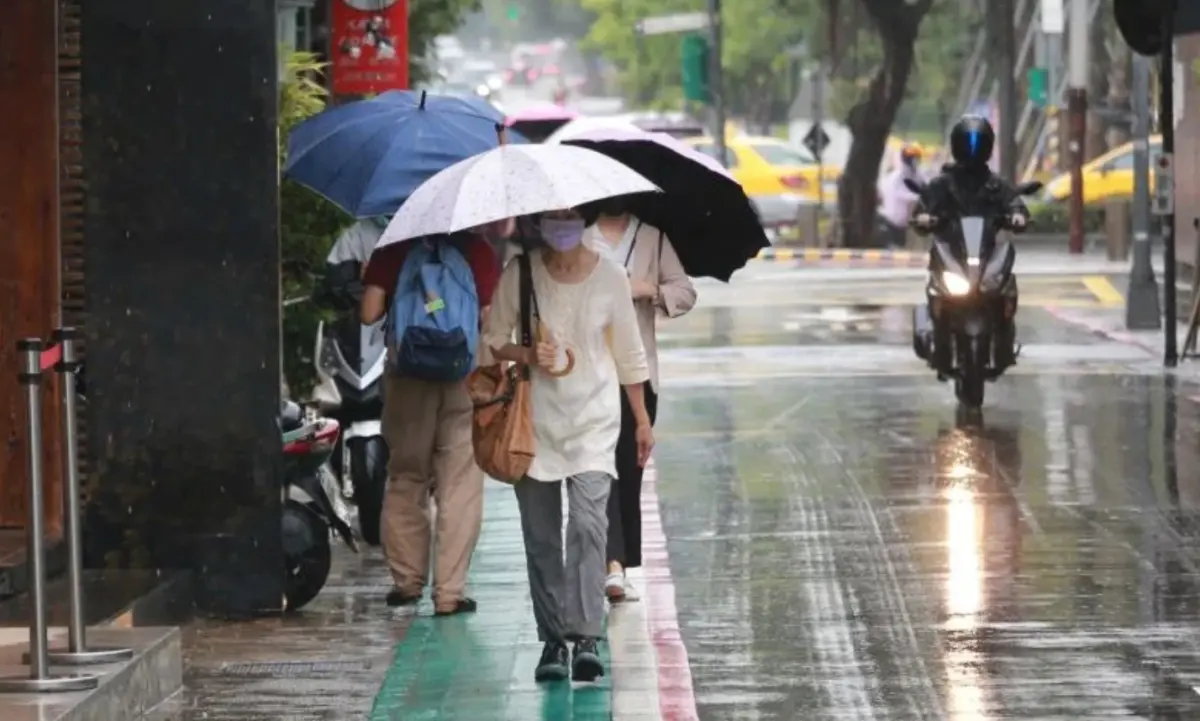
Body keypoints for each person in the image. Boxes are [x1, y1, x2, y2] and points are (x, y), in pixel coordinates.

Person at [484, 207, 654, 683]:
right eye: (552, 216)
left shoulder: (611, 278)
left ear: (584, 220)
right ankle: (553, 642)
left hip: (595, 422)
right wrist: (525, 353)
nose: (561, 224)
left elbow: (629, 353)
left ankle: (585, 636)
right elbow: (494, 337)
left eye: (569, 215)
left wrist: (641, 420)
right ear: (539, 223)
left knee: (587, 525)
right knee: (540, 539)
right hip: (533, 424)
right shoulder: (521, 273)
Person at [359, 224, 503, 615]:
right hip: (462, 375)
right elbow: (490, 320)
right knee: (460, 482)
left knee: (406, 475)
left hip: (408, 377)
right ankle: (449, 593)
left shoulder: (393, 248)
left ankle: (407, 582)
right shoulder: (478, 250)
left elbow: (369, 313)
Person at [578, 197, 696, 603]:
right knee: (596, 468)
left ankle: (619, 563)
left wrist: (650, 290)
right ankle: (610, 563)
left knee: (629, 470)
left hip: (639, 375)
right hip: (588, 375)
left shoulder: (652, 238)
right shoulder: (579, 236)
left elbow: (685, 292)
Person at [876, 145, 925, 250]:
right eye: (912, 158)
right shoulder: (897, 177)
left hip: (904, 226)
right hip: (892, 223)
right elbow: (901, 195)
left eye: (916, 158)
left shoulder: (916, 175)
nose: (914, 161)